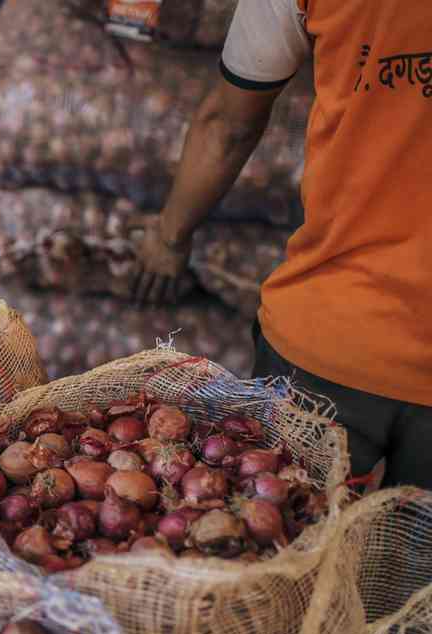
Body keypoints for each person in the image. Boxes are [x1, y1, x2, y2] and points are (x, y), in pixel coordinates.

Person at [131, 0, 431, 489]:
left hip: (333, 335)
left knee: (292, 552)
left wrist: (169, 239)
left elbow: (229, 125)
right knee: (414, 562)